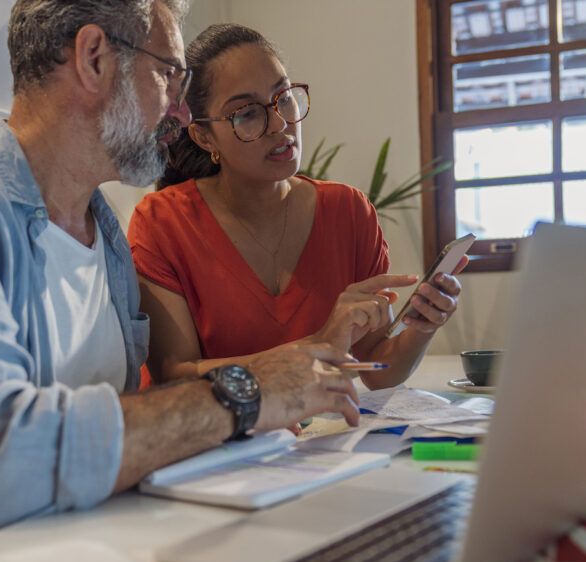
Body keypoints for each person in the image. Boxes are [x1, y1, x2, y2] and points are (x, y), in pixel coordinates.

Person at [0, 1, 360, 562]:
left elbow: (119, 429)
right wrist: (244, 395)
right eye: (170, 75)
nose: (183, 110)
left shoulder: (103, 231)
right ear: (94, 58)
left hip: (75, 556)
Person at [128, 24, 466, 391]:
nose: (280, 124)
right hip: (205, 442)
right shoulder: (162, 221)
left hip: (310, 442)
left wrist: (420, 327)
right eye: (247, 113)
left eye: (283, 96)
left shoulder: (348, 211)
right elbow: (175, 375)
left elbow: (376, 367)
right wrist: (321, 342)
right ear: (204, 135)